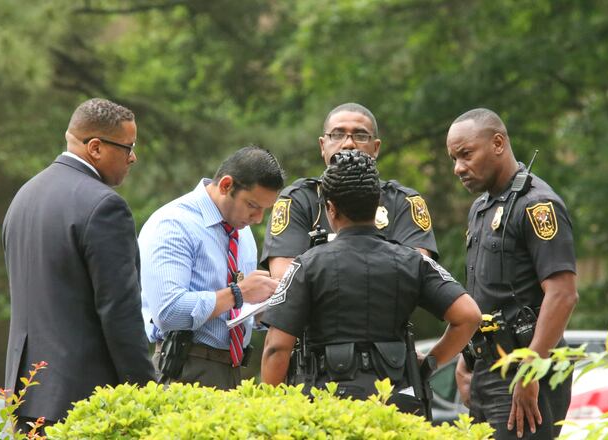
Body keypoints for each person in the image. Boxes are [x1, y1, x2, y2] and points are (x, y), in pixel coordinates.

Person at [260, 150, 481, 416]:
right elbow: (469, 315)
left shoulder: (306, 265)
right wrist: (431, 362)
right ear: (378, 204)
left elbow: (276, 348)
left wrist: (272, 413)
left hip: (327, 410)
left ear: (330, 208)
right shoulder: (412, 261)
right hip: (397, 410)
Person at [2, 98, 155, 431]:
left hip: (26, 397)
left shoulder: (24, 196)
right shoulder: (104, 207)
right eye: (128, 147)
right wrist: (147, 393)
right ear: (96, 147)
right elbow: (120, 313)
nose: (133, 157)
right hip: (82, 405)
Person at [447, 108, 579, 439]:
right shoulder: (481, 208)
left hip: (526, 371)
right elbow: (485, 295)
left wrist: (531, 369)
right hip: (486, 369)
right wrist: (468, 357)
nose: (458, 168)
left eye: (465, 154)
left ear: (497, 143)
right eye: (454, 158)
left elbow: (562, 294)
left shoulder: (536, 205)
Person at [139, 146, 285, 390]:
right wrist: (238, 293)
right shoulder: (174, 224)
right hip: (183, 367)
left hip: (234, 370)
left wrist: (267, 304)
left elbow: (237, 311)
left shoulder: (242, 231)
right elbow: (168, 312)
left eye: (264, 209)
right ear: (226, 185)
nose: (258, 218)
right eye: (252, 205)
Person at [261, 102, 438, 281]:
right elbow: (284, 278)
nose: (348, 144)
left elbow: (416, 274)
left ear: (376, 148)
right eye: (337, 135)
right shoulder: (298, 200)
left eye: (360, 135)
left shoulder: (404, 202)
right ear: (323, 146)